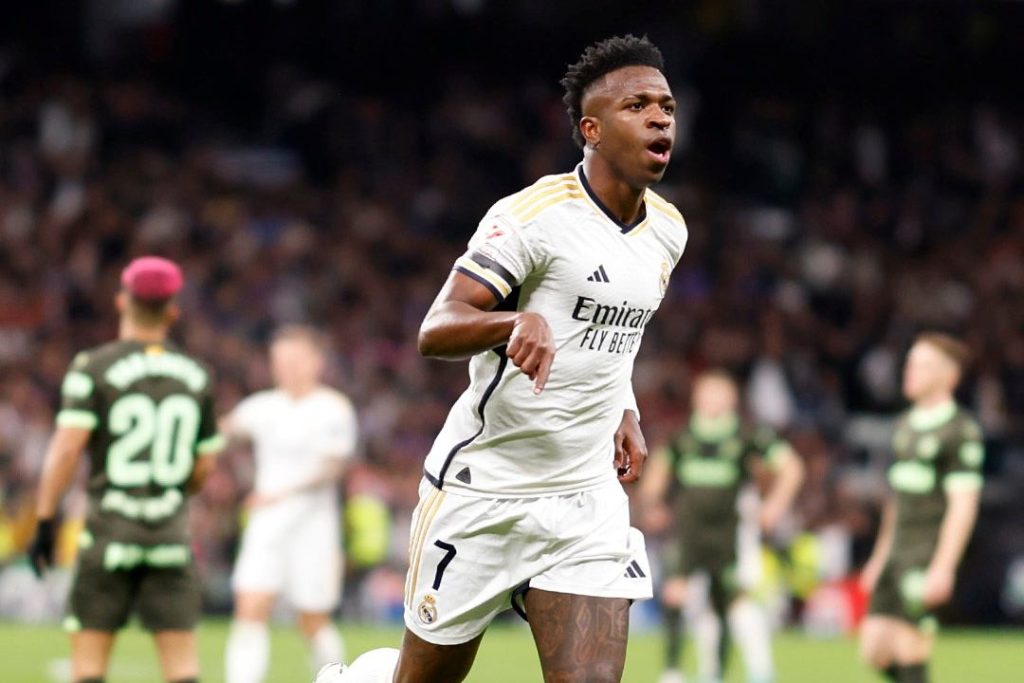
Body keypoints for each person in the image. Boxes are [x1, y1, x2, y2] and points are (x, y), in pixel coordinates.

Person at [317, 34, 687, 683]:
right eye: (637, 106)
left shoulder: (668, 230)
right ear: (592, 130)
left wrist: (624, 407)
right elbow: (437, 327)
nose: (660, 119)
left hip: (584, 498)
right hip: (484, 492)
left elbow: (610, 334)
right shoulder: (533, 217)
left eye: (667, 106)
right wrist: (516, 320)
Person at [27, 256, 224, 683]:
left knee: (89, 668)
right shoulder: (198, 375)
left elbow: (66, 451)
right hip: (169, 538)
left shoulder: (92, 367)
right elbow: (204, 467)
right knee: (182, 670)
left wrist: (44, 521)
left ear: (122, 301)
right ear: (173, 311)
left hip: (108, 534)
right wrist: (172, 492)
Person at [640, 370, 804, 683]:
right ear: (696, 397)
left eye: (720, 393)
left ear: (732, 399)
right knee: (676, 595)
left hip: (731, 535)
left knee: (725, 602)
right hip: (687, 534)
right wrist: (651, 505)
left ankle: (719, 673)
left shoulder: (747, 435)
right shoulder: (682, 436)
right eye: (707, 392)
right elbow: (657, 472)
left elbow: (791, 467)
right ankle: (672, 672)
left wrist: (774, 506)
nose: (713, 400)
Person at [222, 325, 357, 683]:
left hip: (313, 527)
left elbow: (333, 466)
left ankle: (336, 677)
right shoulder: (263, 406)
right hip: (267, 523)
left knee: (311, 619)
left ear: (316, 362)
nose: (287, 368)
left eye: (295, 359)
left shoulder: (333, 408)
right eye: (279, 361)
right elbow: (224, 431)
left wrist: (283, 492)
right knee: (250, 606)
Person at [859, 333, 985, 683]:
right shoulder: (903, 426)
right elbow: (895, 503)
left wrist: (944, 566)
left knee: (909, 646)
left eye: (923, 365)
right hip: (896, 552)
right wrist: (880, 556)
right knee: (873, 649)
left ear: (949, 376)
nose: (911, 371)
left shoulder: (959, 431)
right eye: (910, 363)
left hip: (925, 552)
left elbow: (963, 505)